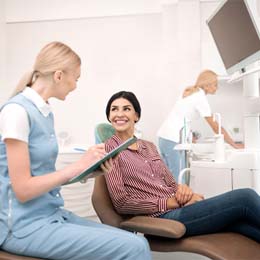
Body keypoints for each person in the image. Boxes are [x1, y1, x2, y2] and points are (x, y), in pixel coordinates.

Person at [0, 42, 151, 260]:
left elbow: (44, 179)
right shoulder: (16, 112)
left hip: (51, 215)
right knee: (134, 248)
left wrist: (89, 171)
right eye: (76, 78)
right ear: (59, 75)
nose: (76, 86)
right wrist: (77, 166)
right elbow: (23, 189)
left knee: (138, 242)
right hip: (21, 227)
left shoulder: (44, 113)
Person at [104, 90, 260, 243]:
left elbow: (171, 184)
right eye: (114, 109)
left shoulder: (149, 146)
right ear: (109, 116)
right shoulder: (109, 150)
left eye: (126, 109)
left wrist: (185, 193)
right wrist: (170, 202)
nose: (119, 114)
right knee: (245, 197)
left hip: (179, 208)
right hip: (161, 219)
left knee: (240, 224)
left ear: (136, 116)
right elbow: (121, 203)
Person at [157, 70, 244, 181]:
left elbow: (182, 116)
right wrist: (234, 145)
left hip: (165, 138)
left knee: (169, 180)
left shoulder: (191, 93)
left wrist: (190, 135)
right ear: (207, 85)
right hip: (173, 140)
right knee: (179, 180)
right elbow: (216, 127)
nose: (217, 88)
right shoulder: (199, 97)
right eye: (215, 85)